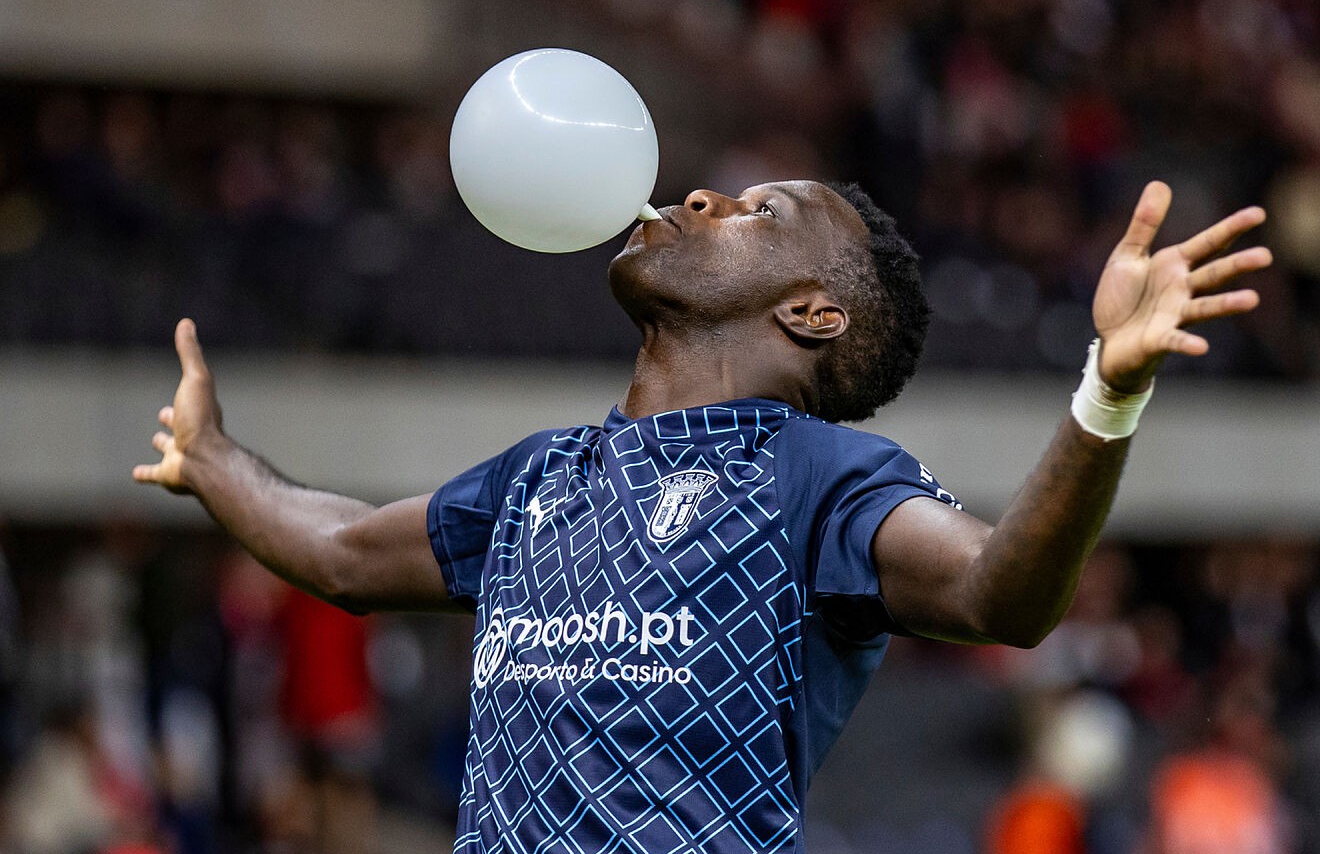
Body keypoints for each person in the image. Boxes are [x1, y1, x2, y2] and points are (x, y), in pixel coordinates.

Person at [133, 179, 1270, 853]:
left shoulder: (820, 477)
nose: (696, 199)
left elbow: (996, 594)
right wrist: (212, 458)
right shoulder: (538, 477)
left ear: (813, 313)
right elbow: (340, 550)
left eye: (759, 212)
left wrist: (1108, 390)